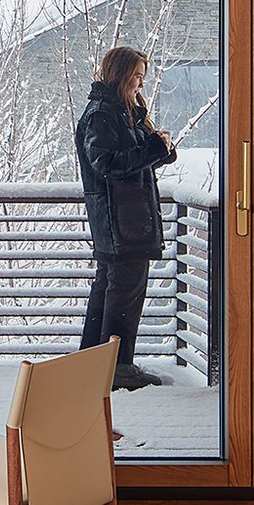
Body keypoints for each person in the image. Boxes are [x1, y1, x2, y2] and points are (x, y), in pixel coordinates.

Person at [74, 45, 179, 392]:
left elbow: (132, 158)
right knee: (123, 295)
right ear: (120, 75)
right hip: (122, 223)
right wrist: (151, 150)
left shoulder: (120, 111)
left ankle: (94, 362)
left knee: (109, 290)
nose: (140, 84)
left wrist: (158, 148)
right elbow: (108, 165)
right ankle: (118, 368)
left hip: (122, 222)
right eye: (136, 77)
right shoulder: (103, 114)